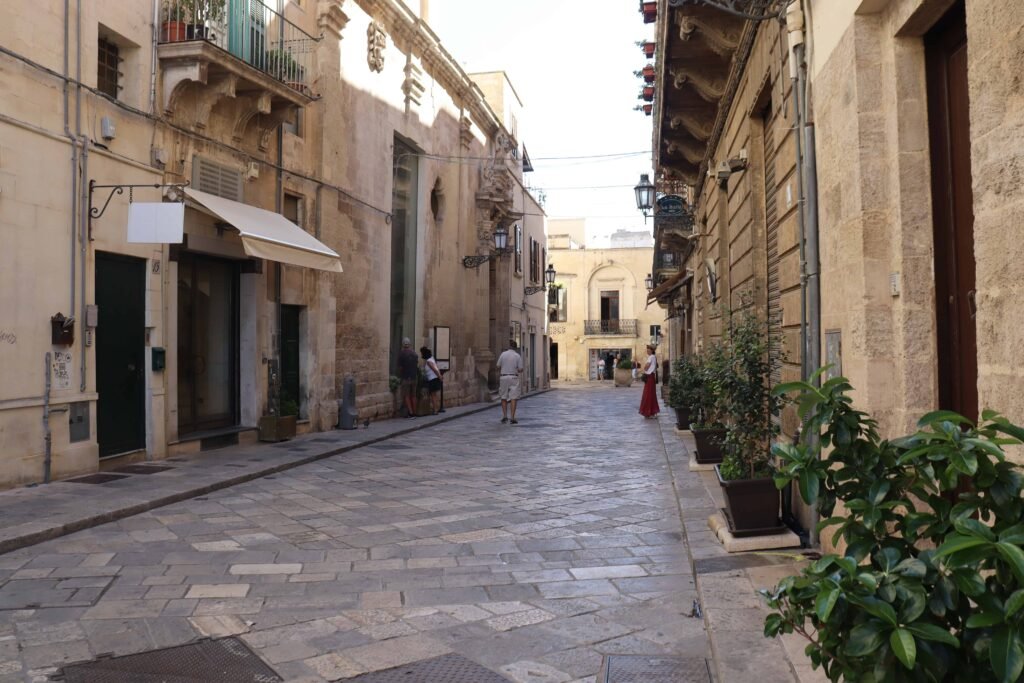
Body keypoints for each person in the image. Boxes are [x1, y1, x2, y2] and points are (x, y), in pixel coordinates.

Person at [496, 340, 523, 424]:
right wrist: (516, 369)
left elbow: (498, 365)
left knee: (503, 396)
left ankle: (505, 416)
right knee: (513, 397)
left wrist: (505, 367)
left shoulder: (503, 354)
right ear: (515, 347)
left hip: (504, 377)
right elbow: (520, 369)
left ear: (509, 347)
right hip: (513, 377)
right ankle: (512, 417)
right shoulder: (517, 356)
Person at [396, 338, 419, 418]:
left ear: (403, 345)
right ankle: (415, 412)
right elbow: (416, 365)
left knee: (406, 396)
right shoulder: (415, 354)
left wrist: (401, 374)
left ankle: (411, 413)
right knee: (413, 395)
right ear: (410, 344)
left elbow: (400, 368)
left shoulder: (401, 354)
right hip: (414, 377)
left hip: (406, 377)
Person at [639, 344, 660, 418]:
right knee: (651, 394)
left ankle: (649, 412)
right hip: (651, 376)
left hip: (649, 377)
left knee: (648, 394)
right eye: (647, 349)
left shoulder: (651, 357)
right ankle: (651, 412)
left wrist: (645, 368)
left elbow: (646, 366)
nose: (647, 351)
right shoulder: (654, 357)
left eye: (648, 350)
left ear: (652, 350)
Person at [420, 346, 442, 415]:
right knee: (434, 395)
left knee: (433, 395)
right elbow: (437, 368)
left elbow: (434, 369)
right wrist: (439, 375)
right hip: (435, 378)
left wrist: (439, 376)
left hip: (433, 379)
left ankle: (435, 410)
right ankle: (436, 409)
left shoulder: (429, 361)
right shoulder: (432, 359)